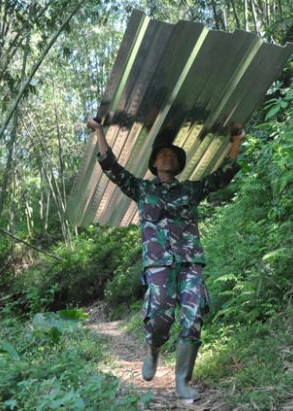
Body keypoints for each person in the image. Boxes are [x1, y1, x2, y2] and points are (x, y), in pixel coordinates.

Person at [86, 118, 244, 401]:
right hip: (158, 265)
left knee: (194, 317)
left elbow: (224, 175)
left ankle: (183, 380)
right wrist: (99, 132)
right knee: (159, 318)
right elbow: (111, 166)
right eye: (162, 155)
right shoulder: (141, 189)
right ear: (154, 164)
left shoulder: (190, 190)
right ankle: (154, 349)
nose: (167, 157)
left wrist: (236, 140)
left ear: (178, 164)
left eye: (172, 155)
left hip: (190, 262)